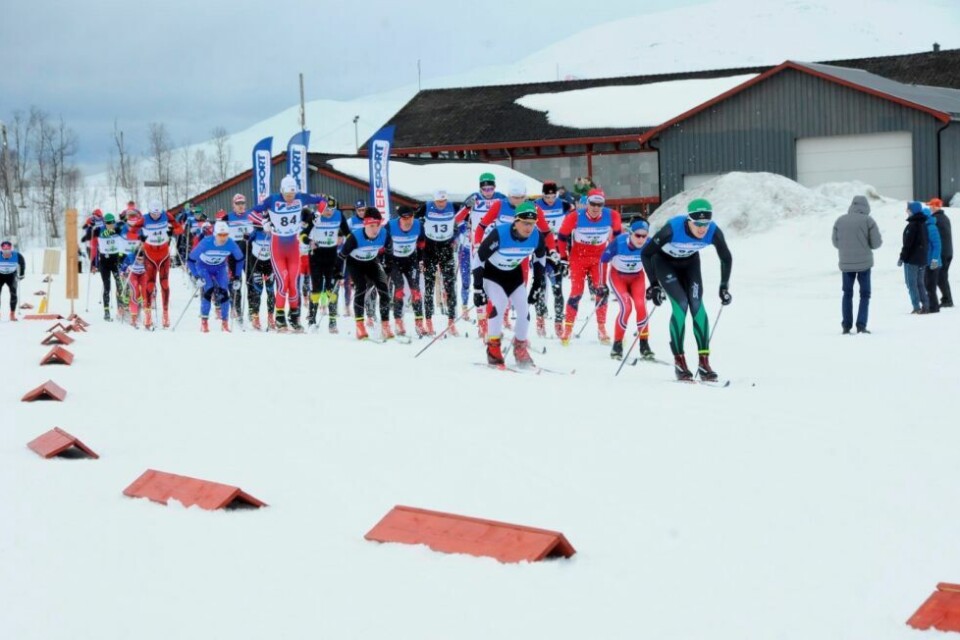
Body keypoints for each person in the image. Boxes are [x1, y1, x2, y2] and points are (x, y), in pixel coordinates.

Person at [641, 198, 733, 381]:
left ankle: (704, 362)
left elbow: (726, 257)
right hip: (665, 263)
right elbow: (646, 253)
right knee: (681, 305)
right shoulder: (673, 229)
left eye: (705, 223)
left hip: (690, 264)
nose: (702, 228)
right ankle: (680, 362)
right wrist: (654, 285)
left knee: (697, 305)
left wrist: (724, 286)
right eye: (697, 223)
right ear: (688, 220)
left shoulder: (713, 231)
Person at [473, 178, 556, 338]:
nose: (518, 202)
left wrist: (552, 249)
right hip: (499, 252)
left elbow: (545, 231)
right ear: (509, 196)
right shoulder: (499, 205)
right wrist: (477, 242)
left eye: (521, 198)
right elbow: (482, 225)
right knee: (496, 294)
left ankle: (509, 326)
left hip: (521, 256)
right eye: (515, 198)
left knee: (519, 293)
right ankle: (489, 329)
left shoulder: (533, 209)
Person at [475, 202, 547, 368]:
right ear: (516, 221)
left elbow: (540, 257)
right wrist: (478, 287)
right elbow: (479, 258)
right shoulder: (500, 234)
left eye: (532, 224)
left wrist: (537, 282)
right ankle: (493, 348)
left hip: (514, 275)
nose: (529, 228)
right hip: (492, 274)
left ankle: (520, 348)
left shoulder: (536, 236)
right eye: (525, 223)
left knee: (523, 311)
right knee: (500, 305)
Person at [250, 175, 325, 331]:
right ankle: (279, 318)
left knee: (293, 284)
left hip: (293, 246)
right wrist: (264, 222)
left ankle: (294, 317)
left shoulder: (301, 198)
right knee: (283, 283)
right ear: (282, 191)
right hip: (277, 246)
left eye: (292, 194)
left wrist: (317, 215)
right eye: (287, 195)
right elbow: (252, 212)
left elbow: (323, 201)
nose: (290, 198)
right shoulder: (273, 200)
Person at [557, 188, 621, 345]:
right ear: (588, 203)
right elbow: (561, 236)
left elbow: (618, 237)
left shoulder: (612, 215)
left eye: (599, 205)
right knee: (576, 292)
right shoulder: (575, 216)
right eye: (592, 204)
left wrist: (615, 254)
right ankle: (568, 328)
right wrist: (563, 257)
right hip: (578, 258)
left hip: (599, 258)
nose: (595, 208)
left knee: (601, 291)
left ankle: (601, 328)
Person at [339, 206, 393, 340]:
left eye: (378, 225)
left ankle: (385, 325)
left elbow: (389, 251)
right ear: (365, 224)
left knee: (384, 289)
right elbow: (341, 256)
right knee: (361, 287)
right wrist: (337, 272)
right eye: (372, 226)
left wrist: (388, 265)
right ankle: (360, 325)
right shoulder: (355, 237)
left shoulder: (384, 234)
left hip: (372, 262)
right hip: (355, 263)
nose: (375, 230)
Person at [602, 218, 652, 360]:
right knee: (627, 307)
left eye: (644, 235)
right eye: (637, 235)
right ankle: (617, 345)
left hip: (637, 278)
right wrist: (601, 284)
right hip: (618, 277)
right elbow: (603, 260)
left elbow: (657, 261)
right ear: (630, 233)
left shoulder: (649, 244)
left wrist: (656, 284)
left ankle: (644, 345)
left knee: (641, 305)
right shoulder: (619, 242)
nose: (641, 239)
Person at [832, 195, 882, 334]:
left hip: (846, 264)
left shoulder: (840, 220)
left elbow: (836, 243)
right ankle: (861, 325)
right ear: (866, 207)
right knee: (864, 295)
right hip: (864, 264)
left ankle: (846, 326)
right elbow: (876, 243)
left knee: (847, 294)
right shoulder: (868, 221)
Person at [421, 189, 468, 336]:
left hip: (446, 248)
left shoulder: (453, 206)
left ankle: (451, 322)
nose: (441, 204)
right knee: (428, 286)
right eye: (439, 201)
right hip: (430, 249)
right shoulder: (426, 207)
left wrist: (456, 235)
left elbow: (463, 220)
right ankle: (428, 321)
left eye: (443, 200)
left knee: (450, 286)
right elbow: (414, 221)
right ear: (434, 200)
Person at [300, 197, 350, 332]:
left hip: (332, 256)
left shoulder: (339, 216)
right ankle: (311, 319)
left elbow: (348, 233)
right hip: (316, 256)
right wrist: (309, 242)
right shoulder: (315, 216)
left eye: (332, 209)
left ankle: (332, 322)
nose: (329, 213)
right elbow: (302, 235)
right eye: (327, 209)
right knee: (316, 289)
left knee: (332, 290)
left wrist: (352, 245)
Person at [188, 221, 245, 333]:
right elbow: (190, 260)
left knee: (224, 292)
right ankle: (204, 322)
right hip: (203, 266)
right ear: (215, 234)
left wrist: (237, 276)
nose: (223, 238)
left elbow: (240, 259)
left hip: (220, 267)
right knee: (208, 289)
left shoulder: (230, 243)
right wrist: (196, 276)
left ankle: (225, 323)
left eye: (225, 235)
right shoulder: (206, 242)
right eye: (220, 235)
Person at [534, 180, 575, 337]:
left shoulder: (564, 205)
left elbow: (575, 215)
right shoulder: (536, 205)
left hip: (556, 249)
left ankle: (558, 322)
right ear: (542, 195)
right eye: (547, 196)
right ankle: (540, 321)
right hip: (539, 248)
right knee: (540, 287)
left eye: (553, 196)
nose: (550, 199)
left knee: (557, 287)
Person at [139, 199, 183, 328]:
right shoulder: (144, 218)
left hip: (164, 255)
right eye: (153, 214)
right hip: (149, 255)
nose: (156, 216)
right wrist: (141, 235)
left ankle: (165, 314)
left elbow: (179, 229)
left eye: (158, 214)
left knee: (164, 283)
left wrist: (172, 231)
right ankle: (148, 315)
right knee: (150, 284)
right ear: (149, 211)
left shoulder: (167, 215)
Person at [385, 205, 427, 337]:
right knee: (399, 289)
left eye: (410, 217)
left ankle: (419, 323)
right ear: (400, 218)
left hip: (411, 261)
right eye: (405, 218)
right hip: (395, 262)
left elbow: (421, 243)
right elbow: (383, 244)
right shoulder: (390, 226)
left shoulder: (418, 225)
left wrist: (421, 260)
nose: (408, 221)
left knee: (416, 291)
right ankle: (398, 321)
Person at [91, 213, 127, 321]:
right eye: (108, 223)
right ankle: (106, 312)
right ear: (104, 222)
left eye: (112, 222)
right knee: (107, 287)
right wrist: (94, 263)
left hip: (115, 261)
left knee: (119, 285)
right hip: (104, 263)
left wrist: (123, 258)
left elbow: (125, 242)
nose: (110, 225)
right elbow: (93, 246)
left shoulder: (119, 229)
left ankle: (120, 309)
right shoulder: (99, 230)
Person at [899, 201, 931, 314]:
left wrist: (902, 258)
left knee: (911, 284)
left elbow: (908, 245)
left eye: (908, 209)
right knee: (920, 283)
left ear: (912, 210)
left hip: (912, 260)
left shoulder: (912, 225)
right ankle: (926, 305)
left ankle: (916, 307)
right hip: (922, 259)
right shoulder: (923, 224)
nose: (906, 210)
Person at [226, 193, 253, 323]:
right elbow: (218, 230)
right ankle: (237, 309)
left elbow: (257, 230)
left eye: (243, 203)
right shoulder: (228, 217)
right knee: (236, 282)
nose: (241, 206)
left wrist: (251, 236)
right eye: (238, 204)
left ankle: (253, 312)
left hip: (248, 252)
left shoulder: (250, 216)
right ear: (233, 205)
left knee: (251, 283)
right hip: (233, 255)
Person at [246, 221, 276, 331]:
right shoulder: (256, 232)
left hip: (269, 264)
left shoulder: (274, 233)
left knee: (270, 290)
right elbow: (247, 241)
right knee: (257, 290)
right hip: (256, 263)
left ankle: (271, 317)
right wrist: (246, 237)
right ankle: (255, 317)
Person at [929, 198, 953, 307]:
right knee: (943, 276)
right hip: (948, 252)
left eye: (930, 206)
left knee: (940, 277)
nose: (929, 208)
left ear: (935, 207)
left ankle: (947, 300)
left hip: (942, 252)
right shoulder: (945, 218)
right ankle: (946, 298)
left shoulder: (935, 219)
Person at [923, 201, 943, 313]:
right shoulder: (926, 227)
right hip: (927, 262)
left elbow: (937, 245)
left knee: (930, 286)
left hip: (933, 262)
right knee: (927, 285)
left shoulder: (931, 228)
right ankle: (931, 305)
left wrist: (934, 260)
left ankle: (934, 308)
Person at [121, 249, 148, 328]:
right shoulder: (130, 257)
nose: (141, 261)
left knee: (145, 293)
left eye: (142, 259)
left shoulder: (147, 258)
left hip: (143, 274)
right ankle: (133, 318)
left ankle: (147, 317)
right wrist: (122, 272)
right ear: (135, 257)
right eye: (138, 259)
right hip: (133, 274)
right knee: (134, 293)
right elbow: (123, 266)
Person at [0, 240, 26, 321]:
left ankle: (12, 314)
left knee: (13, 293)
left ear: (11, 250)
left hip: (12, 275)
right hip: (0, 274)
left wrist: (21, 274)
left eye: (8, 250)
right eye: (4, 251)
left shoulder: (17, 255)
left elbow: (22, 264)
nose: (6, 253)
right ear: (1, 250)